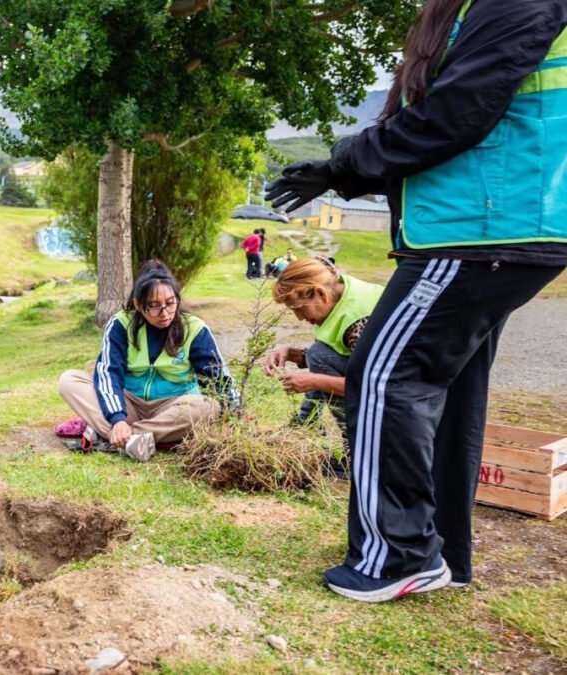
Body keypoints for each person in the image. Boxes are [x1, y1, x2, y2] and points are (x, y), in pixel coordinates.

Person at [267, 0, 567, 602]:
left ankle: (396, 557)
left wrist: (342, 162)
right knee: (449, 390)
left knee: (384, 375)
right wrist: (343, 174)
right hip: (495, 225)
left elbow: (456, 114)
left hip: (479, 229)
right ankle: (444, 554)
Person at [58, 261, 239, 461]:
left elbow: (217, 377)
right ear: (138, 305)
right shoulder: (121, 324)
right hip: (128, 404)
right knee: (69, 380)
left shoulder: (194, 328)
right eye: (154, 306)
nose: (165, 313)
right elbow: (109, 373)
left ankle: (117, 436)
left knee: (209, 406)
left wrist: (236, 413)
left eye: (170, 303)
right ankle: (129, 434)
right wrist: (117, 418)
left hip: (172, 408)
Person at [262, 257, 384, 472]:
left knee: (318, 357)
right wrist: (294, 354)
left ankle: (361, 455)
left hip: (403, 402)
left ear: (320, 293)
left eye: (300, 309)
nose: (299, 318)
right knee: (318, 354)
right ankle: (304, 424)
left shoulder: (360, 322)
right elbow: (337, 353)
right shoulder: (341, 290)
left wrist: (315, 381)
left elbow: (373, 386)